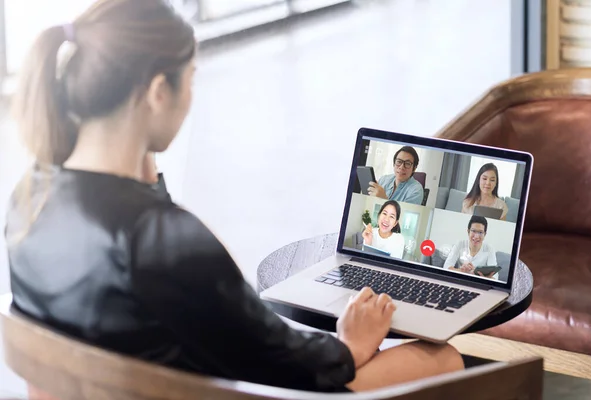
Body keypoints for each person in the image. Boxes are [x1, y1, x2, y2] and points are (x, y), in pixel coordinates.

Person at [4, 0, 463, 393]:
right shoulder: (163, 239)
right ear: (159, 91)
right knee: (442, 358)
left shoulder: (31, 197)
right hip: (226, 392)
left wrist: (146, 179)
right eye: (190, 80)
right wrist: (349, 344)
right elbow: (281, 362)